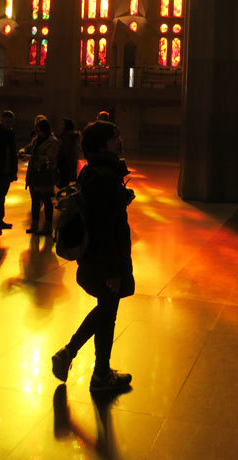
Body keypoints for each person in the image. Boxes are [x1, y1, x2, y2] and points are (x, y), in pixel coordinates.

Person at [51, 121, 135, 393]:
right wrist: (113, 270)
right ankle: (93, 370)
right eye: (115, 136)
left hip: (94, 256)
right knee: (107, 312)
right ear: (103, 143)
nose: (119, 140)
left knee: (105, 310)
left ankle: (93, 366)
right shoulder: (105, 176)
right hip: (105, 260)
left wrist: (120, 198)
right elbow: (106, 228)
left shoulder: (92, 171)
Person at [20, 118, 59, 236]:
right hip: (34, 174)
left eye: (39, 130)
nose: (38, 133)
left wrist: (32, 157)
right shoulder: (37, 139)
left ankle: (47, 226)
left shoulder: (53, 142)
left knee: (47, 200)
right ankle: (34, 224)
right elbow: (30, 146)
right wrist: (23, 150)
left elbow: (50, 158)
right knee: (35, 201)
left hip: (45, 175)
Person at [56, 118, 80, 188]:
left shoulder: (67, 138)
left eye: (62, 124)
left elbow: (67, 154)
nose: (59, 126)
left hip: (65, 166)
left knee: (64, 187)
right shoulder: (67, 137)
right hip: (66, 166)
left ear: (65, 126)